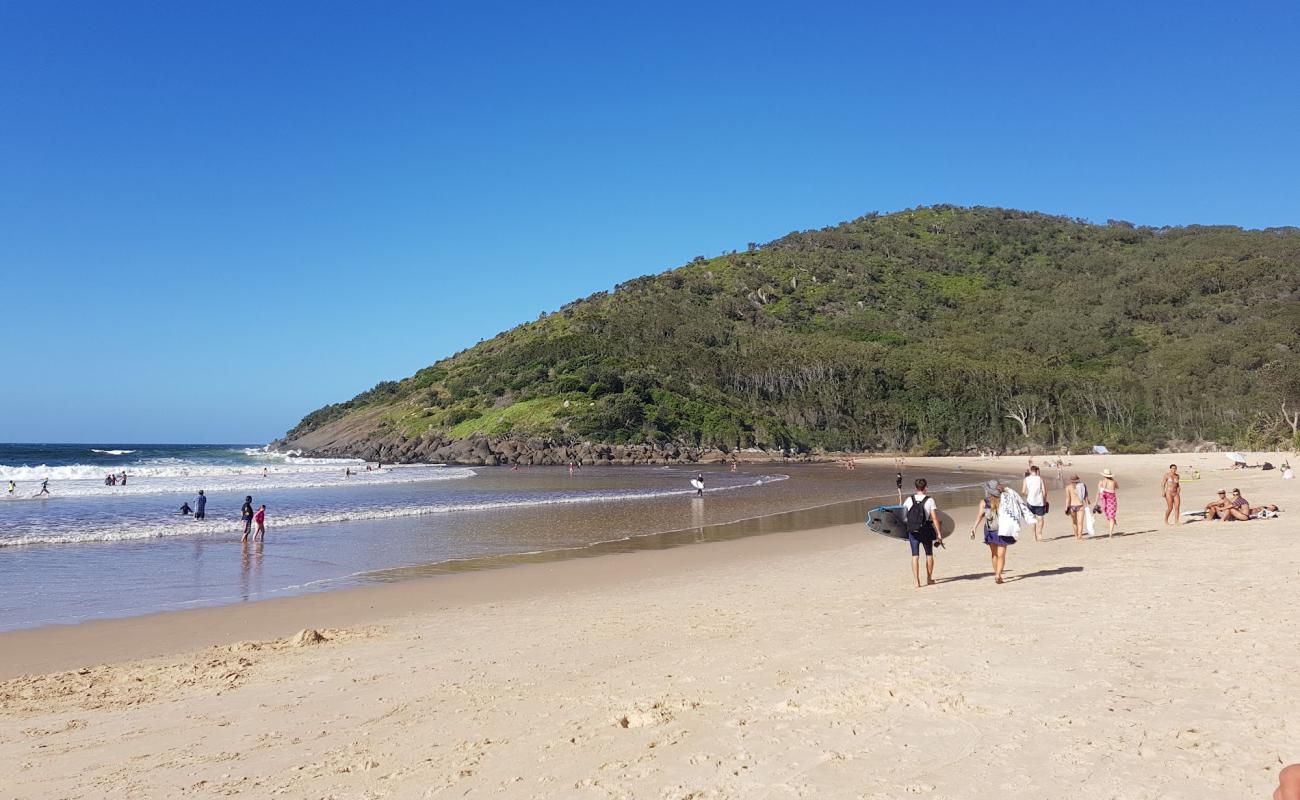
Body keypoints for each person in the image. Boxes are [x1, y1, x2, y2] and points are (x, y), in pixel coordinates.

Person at [971, 480, 1015, 583]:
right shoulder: (1005, 499)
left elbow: (980, 515)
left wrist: (974, 527)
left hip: (990, 530)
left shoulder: (984, 502)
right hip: (1003, 530)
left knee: (994, 554)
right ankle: (998, 574)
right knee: (1001, 555)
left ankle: (997, 573)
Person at [902, 478, 942, 588]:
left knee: (915, 555)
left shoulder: (909, 499)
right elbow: (934, 518)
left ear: (915, 488)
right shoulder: (930, 500)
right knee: (929, 554)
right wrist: (939, 533)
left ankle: (917, 582)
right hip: (926, 530)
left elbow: (903, 515)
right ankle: (929, 579)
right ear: (926, 488)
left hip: (913, 531)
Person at [1021, 465, 1048, 541]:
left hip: (1030, 501)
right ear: (1037, 471)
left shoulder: (1026, 479)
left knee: (1032, 520)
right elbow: (1044, 492)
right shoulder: (1040, 479)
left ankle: (1034, 536)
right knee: (1040, 519)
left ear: (1030, 471)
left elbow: (1023, 491)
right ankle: (1039, 534)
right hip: (1040, 501)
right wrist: (1045, 500)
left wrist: (1027, 496)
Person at [1065, 474, 1087, 539]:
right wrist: (1087, 504)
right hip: (1080, 505)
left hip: (1072, 506)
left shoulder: (1068, 487)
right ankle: (1080, 535)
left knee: (1074, 522)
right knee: (1080, 522)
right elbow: (1085, 496)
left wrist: (1066, 507)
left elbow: (1068, 498)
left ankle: (1076, 536)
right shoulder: (1082, 486)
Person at [1097, 469, 1119, 536]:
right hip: (1112, 500)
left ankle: (1112, 520)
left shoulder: (1101, 482)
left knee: (1108, 515)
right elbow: (1117, 487)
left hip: (1104, 501)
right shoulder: (1113, 482)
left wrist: (1095, 502)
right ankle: (1110, 533)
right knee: (1111, 516)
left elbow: (1098, 492)